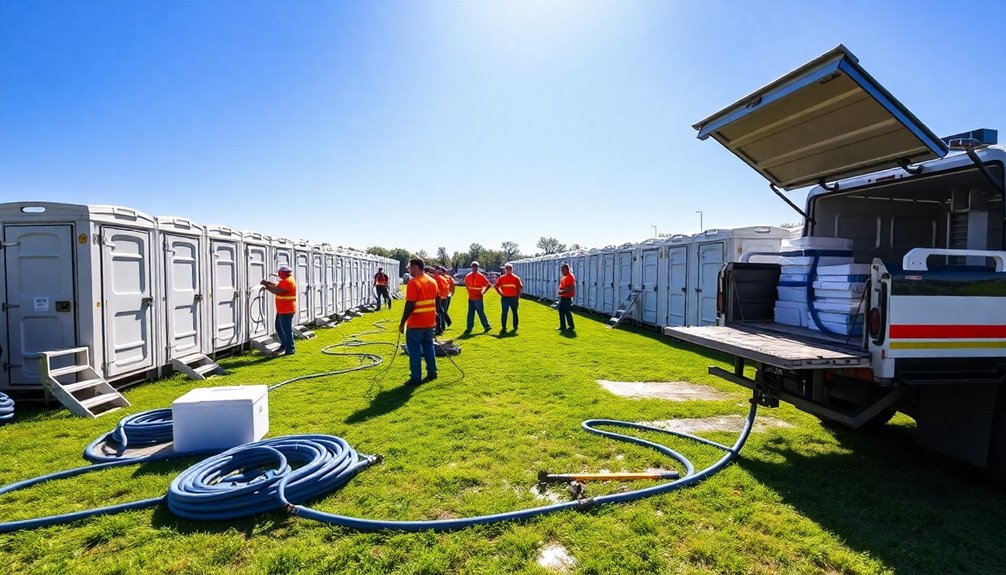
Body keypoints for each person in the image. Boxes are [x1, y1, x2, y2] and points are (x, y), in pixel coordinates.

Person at [399, 257, 439, 385]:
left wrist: (402, 323)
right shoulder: (432, 281)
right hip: (429, 322)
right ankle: (432, 372)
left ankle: (416, 377)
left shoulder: (413, 283)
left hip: (416, 323)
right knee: (429, 346)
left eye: (410, 267)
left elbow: (410, 304)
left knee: (414, 350)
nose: (409, 270)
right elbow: (437, 300)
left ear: (415, 267)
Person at [260, 264, 297, 355]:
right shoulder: (286, 280)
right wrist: (269, 283)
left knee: (286, 330)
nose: (278, 275)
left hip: (286, 310)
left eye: (279, 273)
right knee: (279, 328)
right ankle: (284, 345)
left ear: (284, 273)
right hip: (283, 310)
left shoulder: (288, 281)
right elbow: (278, 286)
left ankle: (290, 349)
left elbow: (277, 291)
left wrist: (267, 286)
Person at [463, 261, 492, 334]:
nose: (474, 268)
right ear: (471, 267)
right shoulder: (468, 276)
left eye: (476, 266)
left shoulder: (481, 276)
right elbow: (466, 285)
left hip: (478, 298)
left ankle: (486, 326)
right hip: (471, 298)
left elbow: (488, 285)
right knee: (470, 313)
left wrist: (483, 292)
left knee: (480, 312)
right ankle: (469, 328)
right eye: (473, 266)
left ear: (477, 267)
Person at [494, 262, 523, 332]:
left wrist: (517, 296)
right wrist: (501, 294)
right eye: (507, 268)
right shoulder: (503, 278)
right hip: (507, 298)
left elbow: (519, 287)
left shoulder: (516, 278)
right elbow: (496, 286)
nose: (508, 270)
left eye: (509, 268)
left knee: (513, 312)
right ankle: (506, 327)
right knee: (507, 312)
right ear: (505, 269)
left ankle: (513, 326)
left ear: (511, 269)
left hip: (511, 298)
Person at [432, 266, 452, 335]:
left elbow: (442, 287)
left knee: (438, 312)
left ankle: (439, 328)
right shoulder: (443, 278)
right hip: (444, 296)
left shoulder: (438, 279)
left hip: (440, 297)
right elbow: (447, 286)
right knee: (441, 311)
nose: (433, 274)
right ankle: (446, 321)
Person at [557, 263, 575, 331]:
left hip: (567, 297)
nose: (562, 271)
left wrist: (562, 291)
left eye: (563, 270)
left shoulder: (570, 276)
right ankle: (562, 326)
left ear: (567, 269)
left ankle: (571, 326)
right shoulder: (564, 276)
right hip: (563, 296)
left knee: (567, 311)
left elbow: (571, 287)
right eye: (561, 270)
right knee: (561, 310)